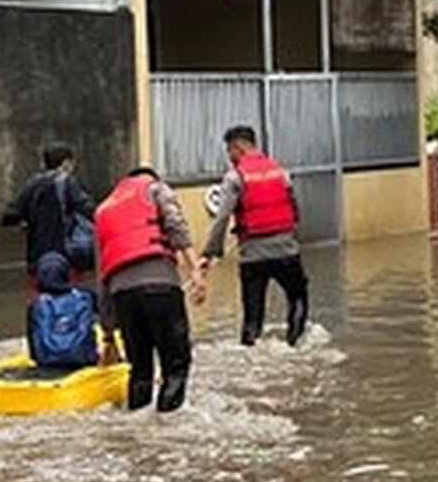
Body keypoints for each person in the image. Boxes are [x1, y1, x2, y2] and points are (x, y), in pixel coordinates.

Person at [95, 166, 206, 413]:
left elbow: (102, 274)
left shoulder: (103, 210)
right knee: (175, 364)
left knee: (140, 369)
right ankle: (167, 428)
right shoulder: (156, 189)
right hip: (160, 287)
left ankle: (139, 429)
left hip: (122, 296)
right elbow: (176, 226)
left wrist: (108, 334)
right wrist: (195, 269)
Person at [199, 125, 309, 346]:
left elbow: (222, 217)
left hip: (252, 258)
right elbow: (295, 210)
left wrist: (210, 254)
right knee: (298, 299)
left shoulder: (234, 177)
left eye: (229, 151)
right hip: (286, 252)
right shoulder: (280, 172)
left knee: (252, 318)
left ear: (237, 147)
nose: (230, 158)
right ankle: (294, 345)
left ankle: (250, 351)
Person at [1, 141, 94, 297]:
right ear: (66, 163)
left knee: (43, 304)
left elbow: (8, 216)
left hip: (38, 260)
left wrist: (27, 221)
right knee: (70, 303)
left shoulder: (31, 185)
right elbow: (89, 210)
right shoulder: (68, 182)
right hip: (66, 256)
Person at [27, 251, 99, 369]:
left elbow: (33, 346)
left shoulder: (36, 304)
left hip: (47, 361)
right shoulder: (85, 296)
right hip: (83, 358)